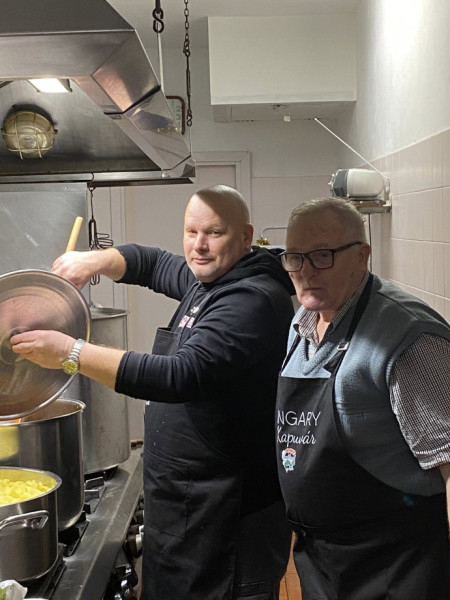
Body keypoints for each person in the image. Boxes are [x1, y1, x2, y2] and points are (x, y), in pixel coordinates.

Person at [11, 184, 294, 600]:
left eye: (214, 233)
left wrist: (71, 353)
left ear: (246, 236)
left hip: (228, 519)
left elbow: (180, 375)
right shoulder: (211, 279)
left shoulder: (252, 299)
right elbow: (153, 263)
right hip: (187, 507)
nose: (198, 246)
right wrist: (95, 261)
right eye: (191, 231)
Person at [276, 196, 450, 600]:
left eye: (322, 256)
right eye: (295, 258)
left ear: (362, 255)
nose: (305, 271)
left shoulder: (408, 336)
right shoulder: (302, 321)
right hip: (322, 561)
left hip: (395, 567)